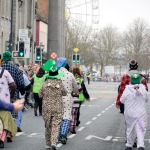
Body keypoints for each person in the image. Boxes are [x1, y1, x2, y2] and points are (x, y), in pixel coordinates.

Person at [39, 59, 67, 150]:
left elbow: (40, 94)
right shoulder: (59, 82)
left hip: (46, 107)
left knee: (48, 125)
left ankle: (48, 143)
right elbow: (65, 93)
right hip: (58, 107)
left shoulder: (45, 83)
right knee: (56, 125)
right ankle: (54, 142)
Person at [120, 73, 149, 150]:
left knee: (130, 128)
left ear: (131, 80)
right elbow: (147, 100)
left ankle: (129, 145)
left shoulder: (127, 89)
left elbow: (122, 100)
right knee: (140, 129)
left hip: (130, 112)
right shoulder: (143, 89)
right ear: (139, 80)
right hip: (140, 113)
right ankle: (140, 145)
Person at [56, 57, 79, 144]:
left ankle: (57, 135)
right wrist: (75, 92)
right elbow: (75, 87)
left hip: (56, 97)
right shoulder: (70, 74)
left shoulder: (54, 74)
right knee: (66, 116)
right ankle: (63, 134)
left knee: (57, 116)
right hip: (67, 97)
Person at [2, 51, 25, 120]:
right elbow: (21, 83)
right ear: (10, 58)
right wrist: (22, 92)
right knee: (12, 116)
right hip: (13, 95)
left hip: (1, 95)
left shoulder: (0, 67)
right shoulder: (16, 68)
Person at [70, 67, 90, 134]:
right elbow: (83, 89)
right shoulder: (80, 79)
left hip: (71, 96)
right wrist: (87, 96)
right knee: (77, 109)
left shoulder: (71, 77)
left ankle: (72, 121)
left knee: (71, 109)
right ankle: (76, 121)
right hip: (79, 96)